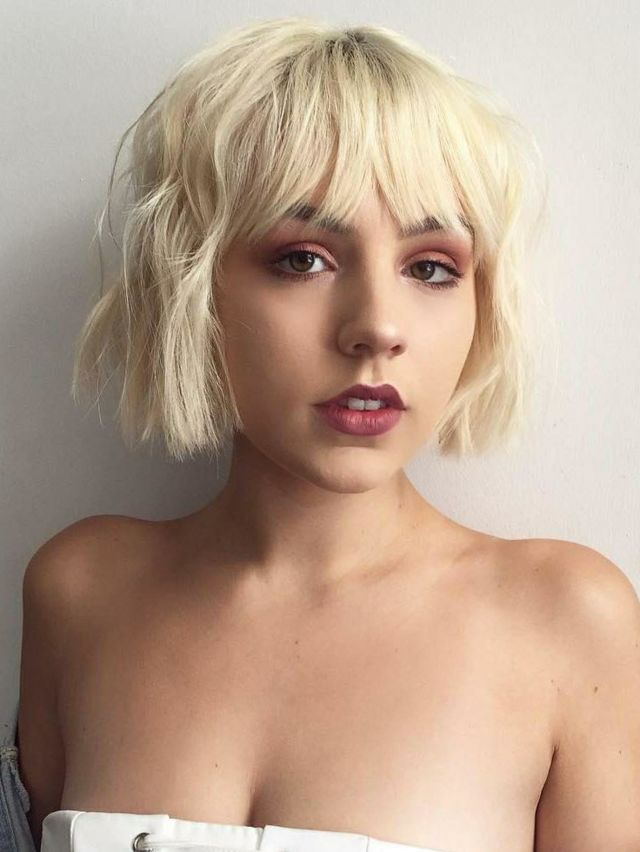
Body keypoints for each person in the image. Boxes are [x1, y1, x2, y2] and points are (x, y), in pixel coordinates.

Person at [5, 15, 640, 852]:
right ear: (192, 281)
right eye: (302, 258)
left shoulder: (567, 618)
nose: (377, 326)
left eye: (431, 268)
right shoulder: (79, 591)